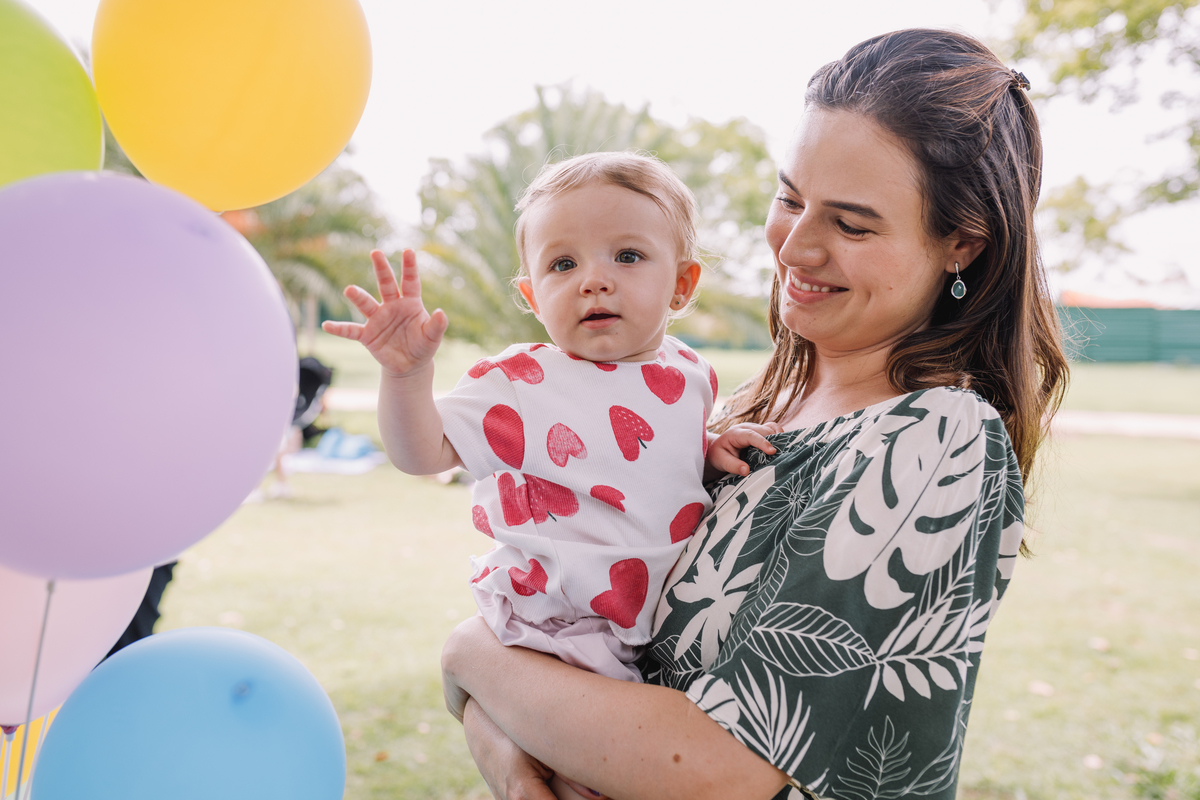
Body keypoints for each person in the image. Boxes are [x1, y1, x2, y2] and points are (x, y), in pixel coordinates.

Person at [439, 28, 1069, 800]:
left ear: (961, 245)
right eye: (790, 198)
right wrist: (504, 753)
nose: (795, 247)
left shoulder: (938, 440)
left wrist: (472, 654)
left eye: (852, 223)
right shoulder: (742, 413)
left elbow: (722, 771)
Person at [324, 153, 780, 794]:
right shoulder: (519, 382)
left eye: (626, 256)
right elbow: (421, 453)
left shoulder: (690, 374)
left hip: (634, 637)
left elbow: (646, 448)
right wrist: (406, 377)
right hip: (550, 628)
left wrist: (706, 445)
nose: (593, 280)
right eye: (563, 264)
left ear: (681, 285)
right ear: (534, 296)